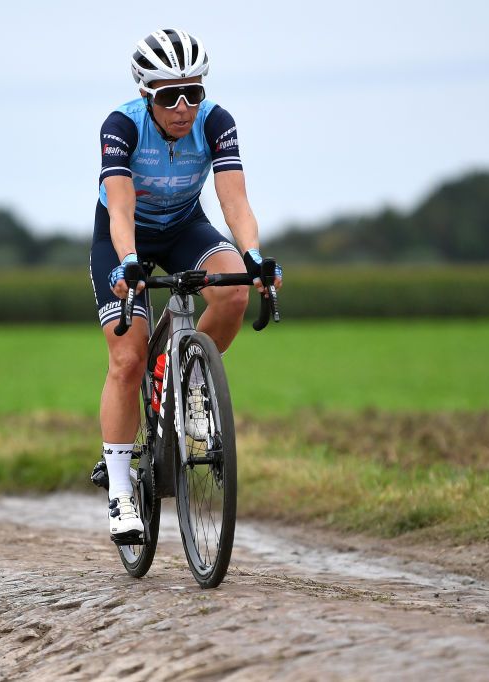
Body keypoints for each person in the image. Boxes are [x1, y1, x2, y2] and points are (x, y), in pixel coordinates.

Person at [91, 29, 284, 542]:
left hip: (182, 228)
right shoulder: (121, 127)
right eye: (168, 95)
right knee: (127, 361)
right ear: (145, 96)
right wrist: (129, 263)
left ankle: (189, 382)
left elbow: (233, 199)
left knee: (234, 290)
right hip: (123, 235)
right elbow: (121, 206)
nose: (182, 106)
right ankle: (120, 493)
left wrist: (255, 257)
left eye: (193, 93)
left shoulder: (216, 123)